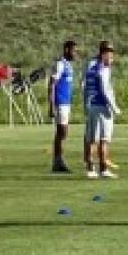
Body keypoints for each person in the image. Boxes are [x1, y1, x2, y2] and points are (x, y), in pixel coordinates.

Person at [82, 41, 121, 180]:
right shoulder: (103, 69)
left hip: (92, 106)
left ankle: (91, 168)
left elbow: (85, 89)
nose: (112, 59)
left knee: (92, 138)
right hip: (102, 107)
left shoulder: (91, 68)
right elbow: (105, 90)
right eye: (110, 56)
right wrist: (114, 107)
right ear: (103, 55)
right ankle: (101, 169)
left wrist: (86, 105)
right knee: (103, 140)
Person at [47, 39, 78, 174]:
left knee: (62, 133)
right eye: (74, 50)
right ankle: (57, 161)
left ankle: (58, 161)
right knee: (61, 132)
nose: (75, 53)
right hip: (60, 102)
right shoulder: (60, 64)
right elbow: (51, 84)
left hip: (66, 103)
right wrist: (51, 105)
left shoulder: (68, 65)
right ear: (67, 50)